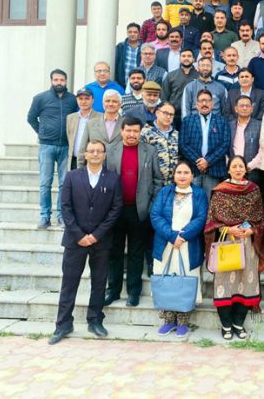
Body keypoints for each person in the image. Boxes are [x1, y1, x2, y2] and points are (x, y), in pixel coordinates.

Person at [48, 139, 123, 345]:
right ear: (85, 154)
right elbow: (66, 207)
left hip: (101, 241)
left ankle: (95, 320)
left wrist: (96, 234)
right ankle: (63, 324)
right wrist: (79, 234)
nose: (96, 154)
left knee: (99, 283)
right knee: (69, 283)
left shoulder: (113, 179)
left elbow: (115, 209)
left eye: (100, 151)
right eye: (92, 151)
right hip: (75, 240)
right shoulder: (72, 176)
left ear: (105, 155)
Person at [204, 155, 264, 340]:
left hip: (248, 244)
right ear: (229, 170)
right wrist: (228, 228)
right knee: (224, 284)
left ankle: (239, 323)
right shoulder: (220, 191)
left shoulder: (253, 190)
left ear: (246, 169)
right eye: (234, 166)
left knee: (246, 283)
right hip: (226, 241)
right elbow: (210, 221)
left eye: (241, 166)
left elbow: (261, 219)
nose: (238, 169)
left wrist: (252, 231)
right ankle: (226, 325)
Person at [104, 117, 163, 307]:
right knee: (115, 252)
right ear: (121, 131)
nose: (131, 135)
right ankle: (113, 291)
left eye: (135, 131)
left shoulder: (150, 151)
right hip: (115, 210)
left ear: (140, 132)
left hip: (139, 210)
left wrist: (151, 205)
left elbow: (158, 180)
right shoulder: (110, 151)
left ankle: (133, 292)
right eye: (128, 131)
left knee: (137, 253)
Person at [149, 160, 208, 339]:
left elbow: (201, 217)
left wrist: (184, 236)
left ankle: (183, 320)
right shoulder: (165, 192)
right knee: (166, 279)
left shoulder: (199, 194)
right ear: (174, 175)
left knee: (185, 280)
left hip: (188, 245)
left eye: (186, 172)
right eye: (179, 172)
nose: (182, 176)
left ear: (192, 175)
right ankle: (168, 320)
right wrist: (172, 236)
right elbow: (155, 215)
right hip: (166, 243)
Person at [27, 69, 78, 229]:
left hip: (66, 146)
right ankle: (44, 216)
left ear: (66, 81)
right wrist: (42, 132)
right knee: (45, 182)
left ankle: (62, 216)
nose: (59, 83)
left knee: (64, 183)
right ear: (51, 81)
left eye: (61, 80)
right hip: (46, 145)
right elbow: (31, 118)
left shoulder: (73, 100)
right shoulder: (40, 98)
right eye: (56, 80)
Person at [179, 90, 231, 198]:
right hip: (193, 169)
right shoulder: (187, 121)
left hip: (214, 169)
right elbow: (183, 144)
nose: (204, 104)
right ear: (196, 104)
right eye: (201, 101)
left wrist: (208, 161)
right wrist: (199, 161)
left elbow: (225, 144)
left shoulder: (222, 121)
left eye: (207, 101)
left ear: (212, 104)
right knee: (191, 202)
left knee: (209, 202)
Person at [77, 90, 123, 166]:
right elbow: (82, 149)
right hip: (95, 169)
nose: (110, 104)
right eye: (107, 101)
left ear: (120, 104)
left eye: (114, 101)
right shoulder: (91, 124)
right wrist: (80, 170)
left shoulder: (126, 124)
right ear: (103, 103)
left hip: (118, 169)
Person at [140, 101, 179, 185]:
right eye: (165, 113)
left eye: (171, 115)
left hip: (172, 183)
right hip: (152, 182)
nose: (168, 117)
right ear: (157, 113)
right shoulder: (146, 132)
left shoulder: (176, 134)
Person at [229, 95, 263, 186]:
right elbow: (225, 148)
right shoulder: (229, 126)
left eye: (247, 106)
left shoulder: (259, 125)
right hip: (232, 172)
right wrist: (231, 166)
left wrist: (249, 166)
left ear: (252, 109)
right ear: (236, 108)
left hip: (252, 171)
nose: (244, 108)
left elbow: (263, 149)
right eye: (241, 106)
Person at [161, 49, 198, 128]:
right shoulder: (171, 75)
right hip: (174, 116)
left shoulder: (199, 76)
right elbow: (164, 97)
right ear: (180, 58)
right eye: (183, 56)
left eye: (189, 56)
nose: (186, 58)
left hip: (194, 115)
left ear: (194, 59)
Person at [66, 88, 99, 170]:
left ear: (92, 100)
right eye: (80, 99)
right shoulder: (70, 118)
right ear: (76, 100)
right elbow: (69, 137)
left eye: (87, 99)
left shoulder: (100, 117)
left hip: (92, 160)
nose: (83, 102)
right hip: (74, 161)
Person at [114, 22, 142, 88]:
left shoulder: (144, 47)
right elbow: (115, 64)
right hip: (122, 84)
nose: (132, 34)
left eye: (135, 32)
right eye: (130, 32)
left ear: (139, 34)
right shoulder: (120, 47)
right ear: (127, 33)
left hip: (139, 84)